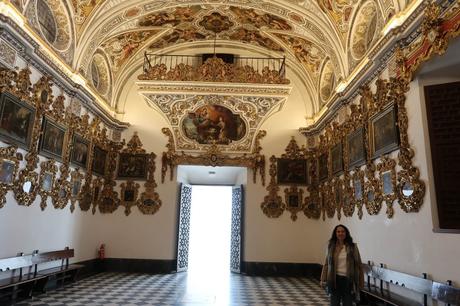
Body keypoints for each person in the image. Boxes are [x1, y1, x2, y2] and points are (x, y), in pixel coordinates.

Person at [320, 224, 364, 306]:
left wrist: (361, 282)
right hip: (334, 279)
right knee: (334, 303)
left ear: (346, 233)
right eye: (338, 231)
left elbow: (359, 265)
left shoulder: (353, 247)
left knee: (348, 303)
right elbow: (326, 264)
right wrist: (322, 279)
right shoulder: (331, 247)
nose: (340, 233)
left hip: (348, 280)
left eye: (343, 231)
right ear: (335, 234)